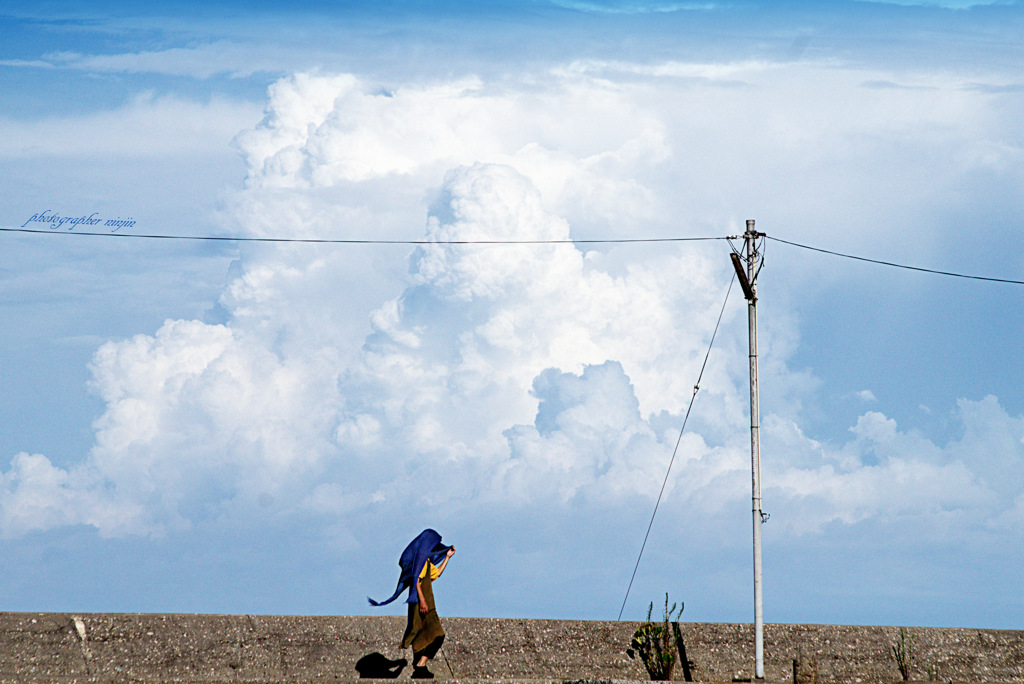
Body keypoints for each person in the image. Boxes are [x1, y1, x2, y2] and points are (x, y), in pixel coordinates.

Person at [368, 529, 456, 679]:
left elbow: (437, 573)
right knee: (438, 635)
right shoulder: (420, 562)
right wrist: (422, 600)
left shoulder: (425, 562)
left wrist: (447, 557)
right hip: (423, 603)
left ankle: (420, 669)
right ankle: (421, 664)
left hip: (425, 603)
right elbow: (416, 581)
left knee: (421, 633)